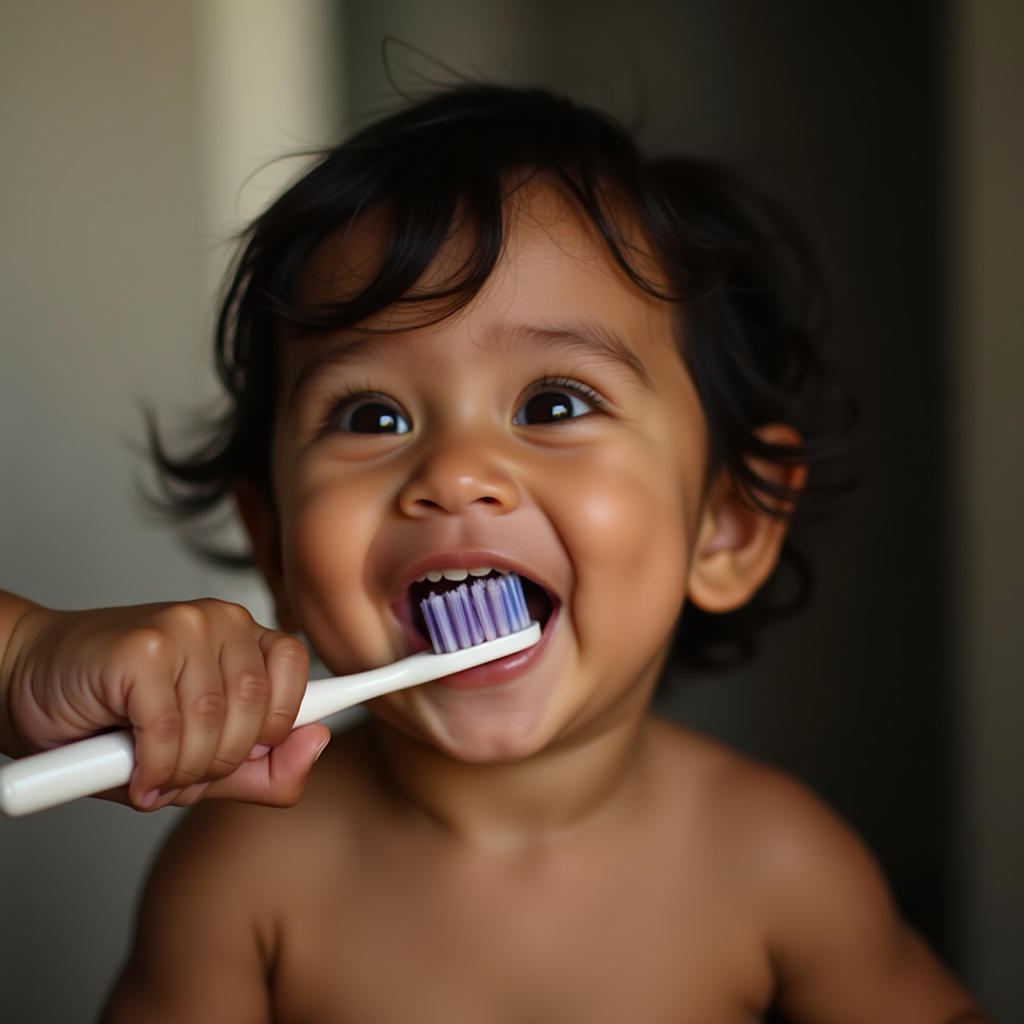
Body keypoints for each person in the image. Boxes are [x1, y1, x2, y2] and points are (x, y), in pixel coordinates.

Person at [0, 85, 987, 1023]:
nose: (456, 470)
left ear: (724, 525)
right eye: (370, 413)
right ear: (273, 543)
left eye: (553, 403)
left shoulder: (777, 862)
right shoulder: (241, 873)